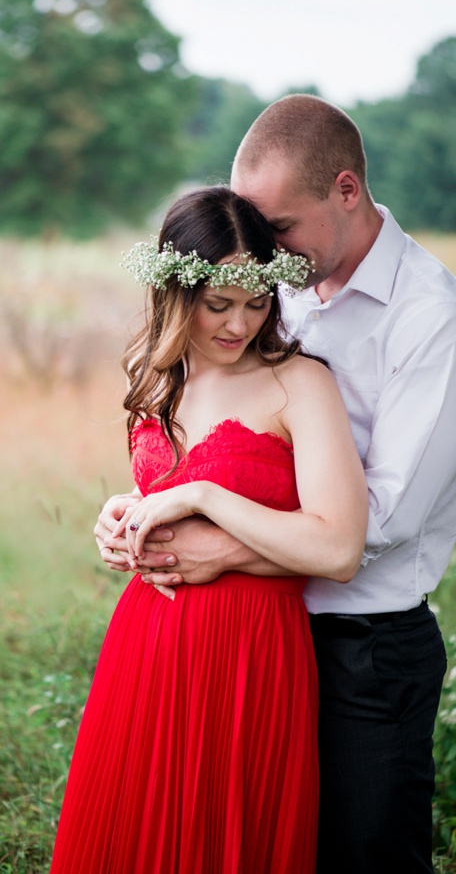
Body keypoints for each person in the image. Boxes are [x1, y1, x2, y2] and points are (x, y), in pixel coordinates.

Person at [96, 95, 456, 873]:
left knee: (366, 853)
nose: (265, 261)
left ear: (346, 191)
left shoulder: (430, 316)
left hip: (364, 644)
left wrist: (213, 541)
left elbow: (372, 524)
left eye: (279, 229)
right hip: (228, 637)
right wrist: (134, 513)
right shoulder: (270, 286)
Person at [53, 186, 369, 873]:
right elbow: (160, 498)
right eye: (218, 304)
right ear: (175, 293)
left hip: (253, 654)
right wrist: (121, 516)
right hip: (147, 644)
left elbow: (338, 547)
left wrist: (205, 494)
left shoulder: (299, 384)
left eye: (257, 303)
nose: (239, 324)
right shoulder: (155, 379)